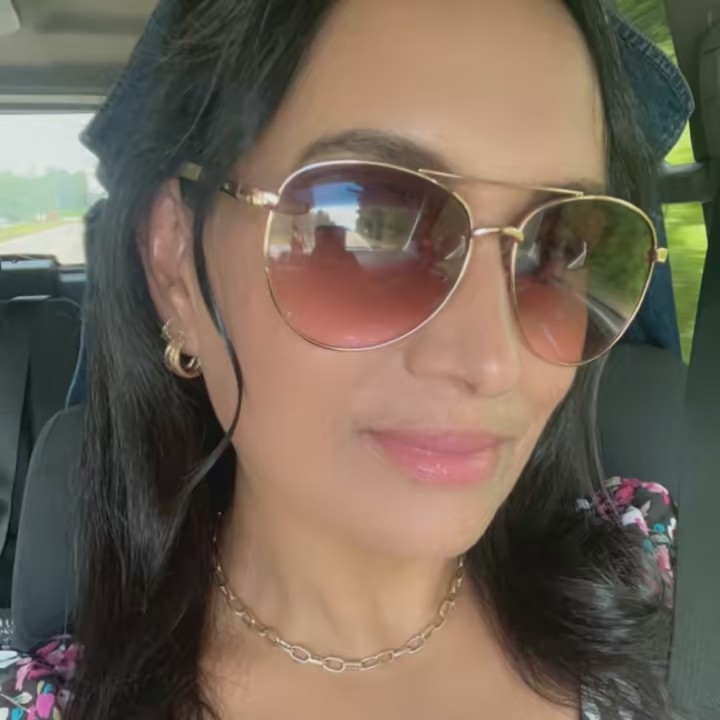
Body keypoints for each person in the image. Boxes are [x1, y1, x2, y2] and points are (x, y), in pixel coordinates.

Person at [0, 0, 681, 718]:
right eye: (369, 231)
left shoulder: (653, 572)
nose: (492, 362)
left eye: (560, 246)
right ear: (175, 266)